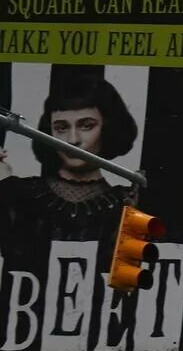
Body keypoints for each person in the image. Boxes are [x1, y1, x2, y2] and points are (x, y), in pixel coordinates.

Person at [0, 72, 138, 288]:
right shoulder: (17, 192)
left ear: (108, 129)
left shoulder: (127, 203)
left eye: (86, 125)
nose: (72, 140)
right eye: (61, 128)